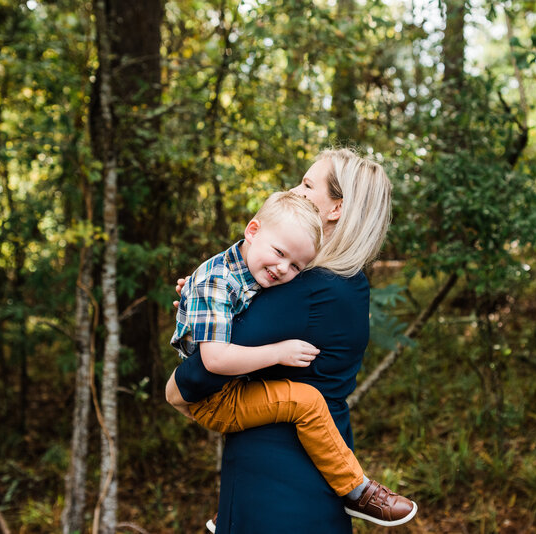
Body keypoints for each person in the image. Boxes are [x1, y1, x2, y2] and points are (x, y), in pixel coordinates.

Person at [166, 148, 414, 533]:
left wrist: (176, 389)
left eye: (308, 184)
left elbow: (203, 370)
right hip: (312, 473)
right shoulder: (347, 284)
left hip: (277, 485)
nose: (295, 190)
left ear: (335, 209)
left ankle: (361, 492)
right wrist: (203, 297)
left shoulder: (309, 289)